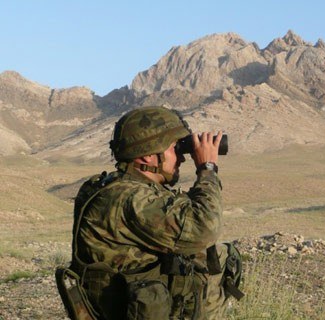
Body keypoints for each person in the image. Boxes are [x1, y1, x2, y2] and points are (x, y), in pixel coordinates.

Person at [66, 106, 243, 320]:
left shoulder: (117, 188)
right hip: (131, 310)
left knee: (215, 255)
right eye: (175, 149)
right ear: (148, 156)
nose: (182, 158)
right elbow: (204, 228)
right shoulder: (129, 198)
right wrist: (207, 168)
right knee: (212, 253)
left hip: (129, 307)